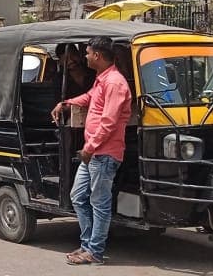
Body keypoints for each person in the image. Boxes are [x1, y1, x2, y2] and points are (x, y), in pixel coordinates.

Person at [56, 36, 132, 266]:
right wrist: (67, 103)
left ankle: (95, 251)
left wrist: (89, 148)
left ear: (97, 55)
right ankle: (88, 244)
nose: (85, 56)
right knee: (78, 197)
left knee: (99, 203)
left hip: (103, 154)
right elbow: (89, 98)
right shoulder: (103, 79)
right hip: (95, 154)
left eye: (87, 52)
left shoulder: (115, 83)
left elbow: (108, 122)